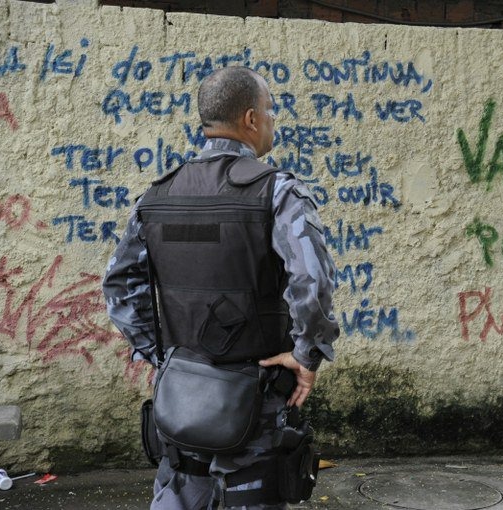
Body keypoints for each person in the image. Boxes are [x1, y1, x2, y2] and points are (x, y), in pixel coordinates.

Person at [102, 66, 339, 510]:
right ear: (250, 119)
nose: (273, 121)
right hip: (254, 399)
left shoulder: (157, 195)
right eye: (270, 111)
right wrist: (308, 356)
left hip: (180, 401)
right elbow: (313, 280)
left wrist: (163, 356)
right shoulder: (278, 192)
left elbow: (118, 285)